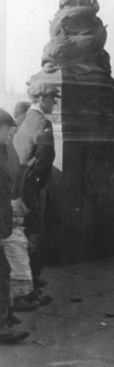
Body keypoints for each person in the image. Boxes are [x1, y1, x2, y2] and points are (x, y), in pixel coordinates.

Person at [13, 81, 58, 293]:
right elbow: (45, 158)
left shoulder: (24, 120)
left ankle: (27, 283)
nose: (54, 103)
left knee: (22, 233)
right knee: (34, 232)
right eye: (52, 98)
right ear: (41, 99)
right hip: (32, 187)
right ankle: (31, 284)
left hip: (18, 186)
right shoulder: (43, 123)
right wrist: (40, 185)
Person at [0, 108, 29, 344]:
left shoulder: (4, 151)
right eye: (8, 129)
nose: (11, 134)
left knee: (4, 272)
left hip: (2, 222)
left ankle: (5, 317)